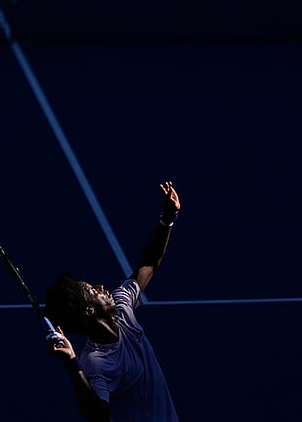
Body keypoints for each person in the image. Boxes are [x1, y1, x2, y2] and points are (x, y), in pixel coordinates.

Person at [43, 180, 182, 422]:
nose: (100, 287)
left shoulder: (122, 307)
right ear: (89, 309)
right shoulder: (96, 362)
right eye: (92, 290)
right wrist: (72, 364)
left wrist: (167, 218)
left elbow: (147, 265)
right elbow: (98, 415)